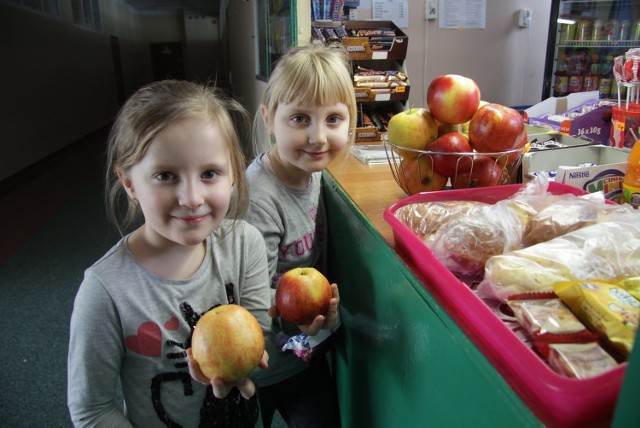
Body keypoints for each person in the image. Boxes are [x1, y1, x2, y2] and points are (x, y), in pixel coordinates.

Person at [67, 80, 271, 428]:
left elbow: (258, 335)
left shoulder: (245, 244)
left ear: (234, 174)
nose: (192, 198)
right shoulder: (105, 291)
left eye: (210, 173)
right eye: (165, 175)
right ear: (130, 183)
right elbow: (92, 409)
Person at [245, 43, 357, 427]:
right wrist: (294, 325)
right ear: (268, 118)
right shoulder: (259, 201)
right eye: (299, 119)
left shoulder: (313, 174)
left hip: (304, 357)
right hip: (260, 370)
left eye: (333, 119)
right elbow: (249, 301)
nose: (318, 137)